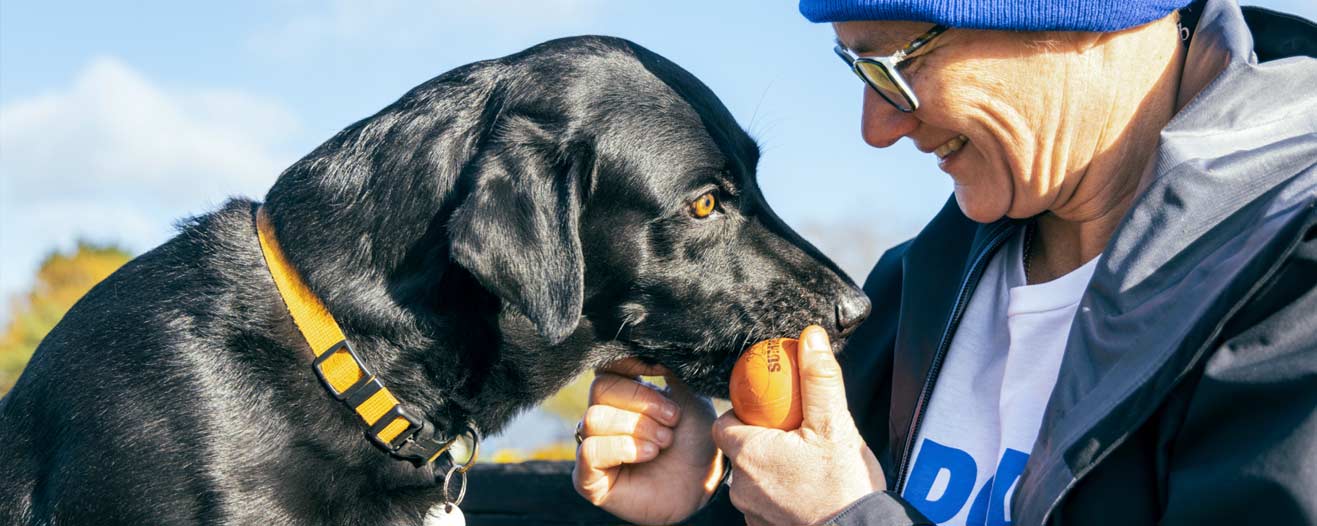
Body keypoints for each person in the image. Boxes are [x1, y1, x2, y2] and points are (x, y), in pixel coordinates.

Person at [572, 0, 1317, 523]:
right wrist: (717, 494)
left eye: (891, 66)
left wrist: (845, 521)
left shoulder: (1292, 284)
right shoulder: (913, 286)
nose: (876, 128)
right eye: (854, 71)